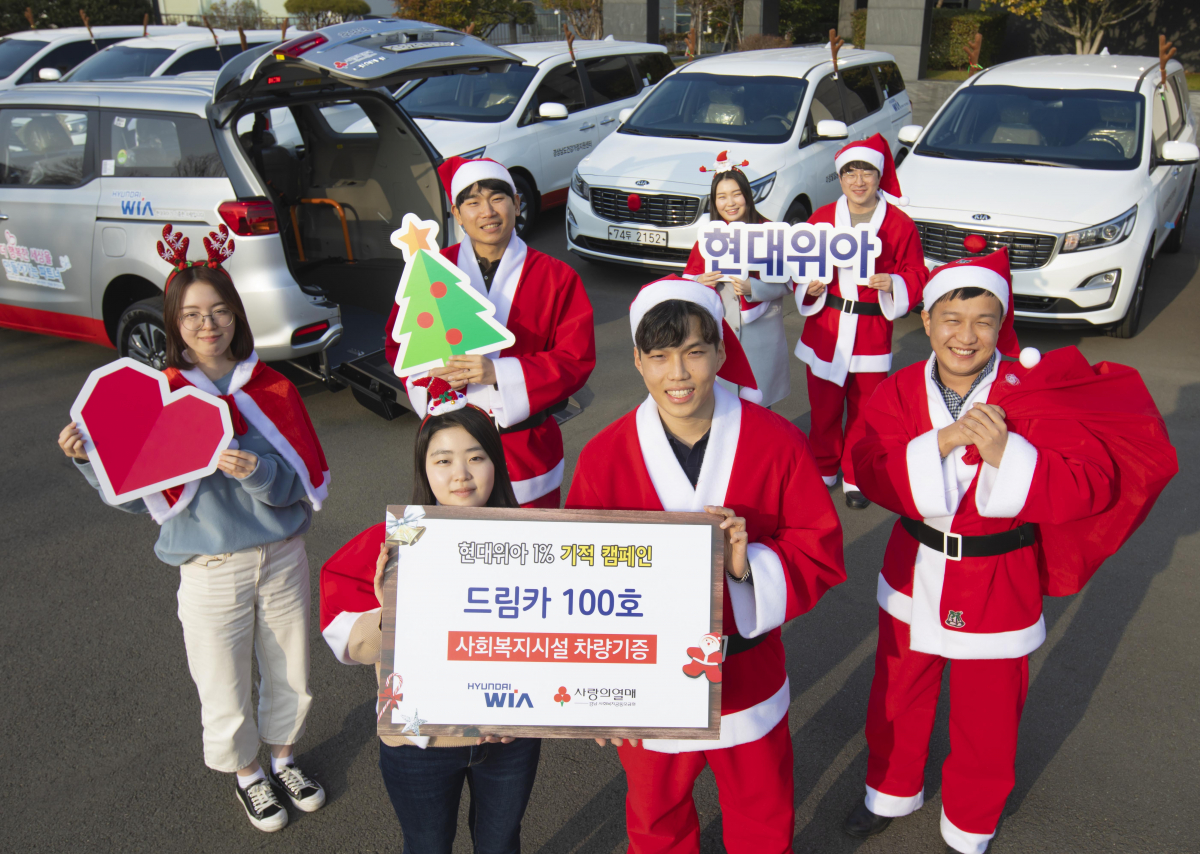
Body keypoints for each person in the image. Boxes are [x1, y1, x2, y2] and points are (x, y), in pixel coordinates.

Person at [841, 247, 1177, 853]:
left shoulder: (1034, 391)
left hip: (1000, 571)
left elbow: (1090, 484)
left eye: (983, 321)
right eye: (951, 318)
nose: (965, 337)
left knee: (989, 713)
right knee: (897, 693)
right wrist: (941, 441)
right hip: (914, 568)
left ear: (1003, 324)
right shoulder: (895, 391)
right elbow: (866, 468)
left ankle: (970, 823)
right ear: (926, 319)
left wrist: (1009, 457)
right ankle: (888, 792)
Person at [57, 225, 331, 833]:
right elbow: (139, 501)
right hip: (210, 569)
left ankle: (285, 758)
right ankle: (248, 775)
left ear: (236, 315)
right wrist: (87, 461)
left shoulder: (273, 389)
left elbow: (303, 487)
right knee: (222, 681)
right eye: (192, 315)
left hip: (281, 554)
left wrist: (257, 470)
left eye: (219, 311)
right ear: (175, 324)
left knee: (292, 671)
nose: (208, 325)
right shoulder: (159, 401)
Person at [566, 277, 847, 854]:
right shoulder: (605, 456)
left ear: (721, 351)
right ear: (638, 361)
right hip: (642, 678)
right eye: (661, 355)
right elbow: (576, 582)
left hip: (748, 672)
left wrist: (749, 567)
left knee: (763, 814)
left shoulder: (776, 443)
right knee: (655, 818)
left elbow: (818, 548)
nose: (679, 373)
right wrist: (591, 688)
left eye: (694, 351)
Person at [318, 377, 541, 854]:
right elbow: (350, 642)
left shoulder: (536, 542)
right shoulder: (390, 544)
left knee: (502, 842)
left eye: (476, 457)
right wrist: (390, 612)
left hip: (511, 736)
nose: (460, 473)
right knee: (426, 845)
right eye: (443, 460)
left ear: (496, 464)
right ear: (424, 468)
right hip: (420, 744)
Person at [383, 156, 595, 508]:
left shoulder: (557, 277)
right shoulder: (432, 269)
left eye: (498, 198)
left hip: (525, 449)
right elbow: (399, 346)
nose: (488, 212)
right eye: (473, 202)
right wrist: (432, 384)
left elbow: (575, 359)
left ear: (517, 202)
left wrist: (499, 372)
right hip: (451, 447)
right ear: (456, 211)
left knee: (531, 552)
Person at [794, 133, 928, 509]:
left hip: (871, 331)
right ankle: (823, 468)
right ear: (840, 177)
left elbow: (918, 273)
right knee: (824, 406)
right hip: (828, 327)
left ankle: (855, 475)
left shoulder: (899, 225)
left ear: (878, 175)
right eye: (850, 172)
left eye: (866, 171)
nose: (858, 180)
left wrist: (896, 283)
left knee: (865, 410)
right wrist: (810, 286)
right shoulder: (821, 219)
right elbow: (797, 269)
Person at [683, 152, 791, 406]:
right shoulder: (709, 236)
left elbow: (788, 281)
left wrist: (754, 287)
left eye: (736, 194)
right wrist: (699, 282)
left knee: (762, 411)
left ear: (747, 196)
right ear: (714, 201)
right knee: (723, 409)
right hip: (721, 333)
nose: (730, 203)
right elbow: (688, 280)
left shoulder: (769, 231)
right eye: (721, 197)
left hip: (762, 334)